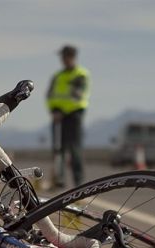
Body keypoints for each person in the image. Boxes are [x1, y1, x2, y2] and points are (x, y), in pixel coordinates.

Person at [46, 45, 90, 188]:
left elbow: (78, 95)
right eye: (62, 57)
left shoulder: (81, 75)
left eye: (65, 57)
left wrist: (62, 112)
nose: (63, 60)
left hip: (74, 115)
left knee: (74, 148)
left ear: (71, 57)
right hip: (57, 116)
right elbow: (50, 95)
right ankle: (59, 180)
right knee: (58, 149)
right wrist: (54, 110)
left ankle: (79, 181)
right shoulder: (58, 76)